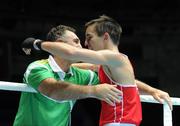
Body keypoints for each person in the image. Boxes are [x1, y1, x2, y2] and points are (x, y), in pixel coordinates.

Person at [22, 15, 173, 126]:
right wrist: (152, 90)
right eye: (79, 40)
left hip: (119, 123)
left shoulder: (114, 58)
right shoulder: (105, 65)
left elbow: (71, 54)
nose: (85, 44)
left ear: (105, 37)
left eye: (89, 37)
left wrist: (37, 43)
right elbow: (129, 84)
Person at [14, 25, 122, 126]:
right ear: (60, 44)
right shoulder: (37, 68)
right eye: (76, 41)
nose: (81, 46)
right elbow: (54, 90)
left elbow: (119, 84)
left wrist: (99, 67)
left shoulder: (79, 74)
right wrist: (93, 91)